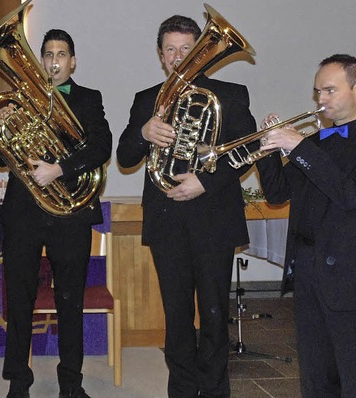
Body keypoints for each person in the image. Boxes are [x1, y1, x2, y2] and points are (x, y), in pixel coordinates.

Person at [117, 15, 257, 398]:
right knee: (176, 317)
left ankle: (214, 391)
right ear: (161, 56)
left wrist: (204, 182)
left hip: (214, 220)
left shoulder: (230, 94)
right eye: (170, 50)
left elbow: (247, 151)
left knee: (214, 316)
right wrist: (144, 132)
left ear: (200, 52)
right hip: (168, 224)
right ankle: (180, 389)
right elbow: (125, 156)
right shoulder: (147, 100)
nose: (178, 58)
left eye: (186, 49)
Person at [0, 29, 111, 398]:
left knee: (69, 299)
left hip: (69, 211)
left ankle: (70, 382)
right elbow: (2, 159)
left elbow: (102, 145)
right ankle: (19, 379)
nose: (54, 60)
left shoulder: (89, 99)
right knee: (19, 297)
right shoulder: (20, 98)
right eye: (48, 54)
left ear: (72, 61)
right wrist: (5, 126)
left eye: (62, 54)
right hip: (24, 212)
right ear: (41, 60)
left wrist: (58, 169)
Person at [255, 53, 356, 397]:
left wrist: (297, 145)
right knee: (315, 370)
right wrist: (268, 149)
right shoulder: (314, 143)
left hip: (348, 271)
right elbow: (277, 193)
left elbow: (347, 195)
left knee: (350, 368)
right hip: (309, 266)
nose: (320, 100)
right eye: (317, 92)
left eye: (329, 90)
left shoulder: (308, 147)